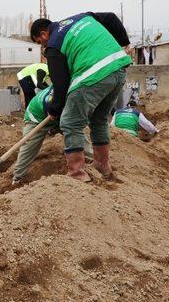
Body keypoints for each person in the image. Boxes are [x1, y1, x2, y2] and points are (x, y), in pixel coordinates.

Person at [30, 11, 132, 181]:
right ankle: (102, 166)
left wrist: (55, 109)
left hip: (93, 73)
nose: (43, 47)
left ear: (43, 33)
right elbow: (111, 18)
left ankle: (77, 174)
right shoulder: (82, 17)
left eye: (40, 42)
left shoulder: (53, 45)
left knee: (70, 122)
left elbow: (60, 84)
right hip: (118, 67)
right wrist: (124, 43)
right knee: (99, 119)